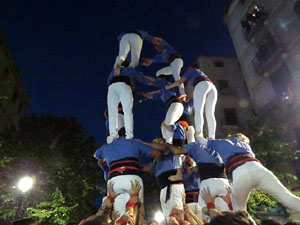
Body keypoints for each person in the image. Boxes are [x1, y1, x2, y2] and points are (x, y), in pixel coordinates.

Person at [197, 133, 300, 217]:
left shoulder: (221, 143)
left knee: (239, 211)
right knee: (288, 199)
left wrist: (210, 141)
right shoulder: (245, 144)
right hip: (257, 168)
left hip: (239, 172)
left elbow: (199, 140)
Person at [94, 128, 167, 222]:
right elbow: (157, 154)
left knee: (117, 215)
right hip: (132, 177)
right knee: (137, 212)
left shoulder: (107, 147)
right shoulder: (135, 143)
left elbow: (96, 155)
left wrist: (107, 158)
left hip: (114, 181)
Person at [166, 142, 231, 217]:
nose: (189, 159)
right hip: (222, 183)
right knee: (226, 214)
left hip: (207, 189)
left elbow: (177, 151)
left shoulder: (195, 147)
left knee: (207, 213)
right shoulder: (215, 147)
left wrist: (166, 144)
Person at [165, 64, 217, 139]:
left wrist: (169, 86)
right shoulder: (200, 73)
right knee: (210, 113)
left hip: (201, 84)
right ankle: (212, 136)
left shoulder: (191, 70)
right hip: (212, 86)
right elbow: (193, 96)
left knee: (199, 111)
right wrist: (186, 96)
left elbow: (179, 81)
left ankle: (199, 136)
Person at [106, 63, 150, 143]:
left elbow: (109, 81)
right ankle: (128, 136)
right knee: (127, 111)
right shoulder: (130, 71)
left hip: (113, 86)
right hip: (122, 85)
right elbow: (143, 80)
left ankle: (114, 135)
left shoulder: (114, 73)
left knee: (114, 112)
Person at [142, 74, 186, 144]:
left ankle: (169, 145)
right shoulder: (163, 91)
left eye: (158, 78)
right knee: (163, 125)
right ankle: (167, 143)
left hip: (175, 104)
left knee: (168, 123)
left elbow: (154, 81)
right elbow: (150, 95)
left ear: (163, 78)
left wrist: (142, 75)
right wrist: (142, 93)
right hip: (173, 106)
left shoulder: (166, 84)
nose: (157, 80)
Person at [151, 137, 185, 223]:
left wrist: (143, 144)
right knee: (167, 220)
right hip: (164, 189)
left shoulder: (168, 151)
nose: (154, 145)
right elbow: (148, 168)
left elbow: (174, 151)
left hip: (173, 187)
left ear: (162, 142)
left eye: (156, 143)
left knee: (176, 218)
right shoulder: (157, 159)